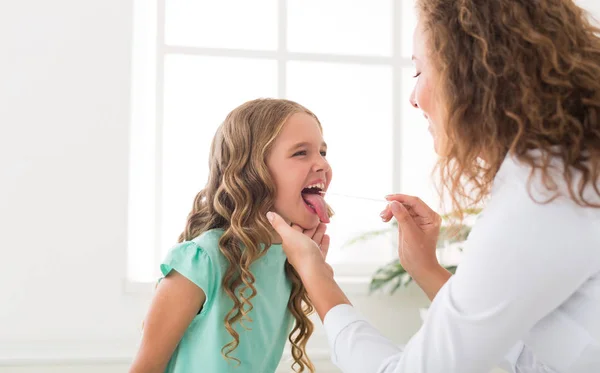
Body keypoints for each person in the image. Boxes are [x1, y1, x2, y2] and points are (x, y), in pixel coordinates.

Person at [266, 0, 600, 372]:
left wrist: (315, 275)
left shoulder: (542, 197)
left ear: (472, 74)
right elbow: (527, 345)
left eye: (418, 72)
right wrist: (426, 268)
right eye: (299, 153)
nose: (412, 98)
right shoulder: (569, 173)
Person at [128, 98, 334, 373]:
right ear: (252, 172)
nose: (321, 164)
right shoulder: (202, 260)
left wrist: (312, 271)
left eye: (322, 151)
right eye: (301, 153)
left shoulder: (289, 260)